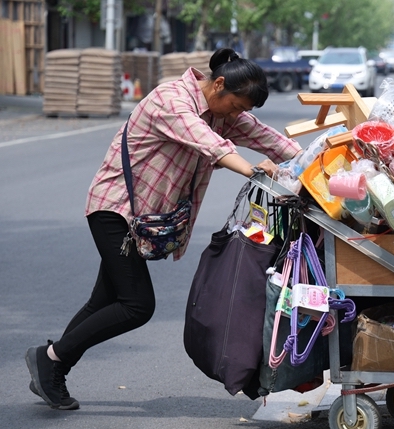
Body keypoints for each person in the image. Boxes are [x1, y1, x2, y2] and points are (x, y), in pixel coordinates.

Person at [25, 47, 302, 410]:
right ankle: (50, 358)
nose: (238, 114)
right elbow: (211, 145)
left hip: (142, 216)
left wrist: (313, 164)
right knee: (137, 305)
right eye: (236, 105)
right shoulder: (170, 101)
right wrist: (256, 172)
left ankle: (51, 366)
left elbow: (273, 141)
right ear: (218, 84)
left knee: (104, 301)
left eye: (243, 110)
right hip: (117, 208)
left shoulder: (223, 113)